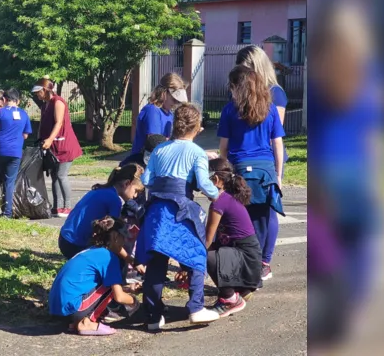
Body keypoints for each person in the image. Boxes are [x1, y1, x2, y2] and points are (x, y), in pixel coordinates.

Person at [136, 104, 220, 330]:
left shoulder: (159, 150)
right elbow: (203, 183)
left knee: (156, 261)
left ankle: (153, 317)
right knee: (196, 254)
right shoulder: (196, 152)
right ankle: (196, 307)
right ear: (198, 128)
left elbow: (145, 180)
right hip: (180, 209)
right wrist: (216, 196)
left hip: (156, 210)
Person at [218, 65, 285, 281]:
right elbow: (277, 144)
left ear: (236, 86)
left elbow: (224, 147)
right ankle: (264, 263)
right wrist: (279, 175)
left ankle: (245, 263)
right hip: (265, 171)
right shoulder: (270, 109)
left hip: (240, 168)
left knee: (241, 219)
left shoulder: (229, 110)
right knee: (266, 218)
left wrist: (225, 171)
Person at [235, 45, 289, 279]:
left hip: (267, 160)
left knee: (268, 210)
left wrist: (275, 171)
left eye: (244, 68)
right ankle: (247, 257)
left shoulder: (276, 93)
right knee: (245, 210)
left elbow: (275, 134)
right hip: (243, 158)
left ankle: (264, 261)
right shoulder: (238, 90)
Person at [48, 216, 142, 336]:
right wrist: (135, 302)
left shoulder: (92, 251)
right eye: (123, 235)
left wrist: (129, 289)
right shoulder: (109, 258)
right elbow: (118, 296)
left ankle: (74, 322)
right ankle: (86, 322)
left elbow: (99, 288)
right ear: (115, 237)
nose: (125, 241)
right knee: (112, 287)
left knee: (110, 284)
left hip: (57, 309)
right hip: (73, 309)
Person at [205, 158, 263, 318]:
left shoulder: (219, 202)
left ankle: (230, 298)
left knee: (204, 256)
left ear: (215, 180)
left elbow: (207, 241)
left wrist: (189, 266)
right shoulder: (228, 197)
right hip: (249, 257)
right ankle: (242, 290)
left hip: (246, 258)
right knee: (211, 252)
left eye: (202, 179)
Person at [58, 164, 145, 260]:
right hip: (75, 246)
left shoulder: (100, 190)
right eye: (136, 191)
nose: (135, 195)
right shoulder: (114, 200)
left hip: (64, 239)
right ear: (127, 184)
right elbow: (112, 237)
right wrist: (129, 259)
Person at [32, 77, 83, 218]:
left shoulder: (58, 102)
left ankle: (67, 206)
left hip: (64, 145)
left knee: (61, 175)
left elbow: (59, 123)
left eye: (38, 92)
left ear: (45, 90)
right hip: (52, 147)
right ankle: (57, 206)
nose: (37, 95)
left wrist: (49, 139)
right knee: (54, 175)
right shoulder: (45, 105)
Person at [120, 74, 188, 167]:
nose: (176, 103)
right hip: (142, 164)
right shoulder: (152, 111)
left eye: (178, 101)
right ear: (164, 92)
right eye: (174, 99)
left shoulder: (169, 114)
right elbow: (155, 142)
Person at [0, 89, 32, 218]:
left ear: (4, 100)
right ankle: (7, 211)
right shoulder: (24, 114)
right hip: (15, 152)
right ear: (18, 101)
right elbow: (26, 135)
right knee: (9, 181)